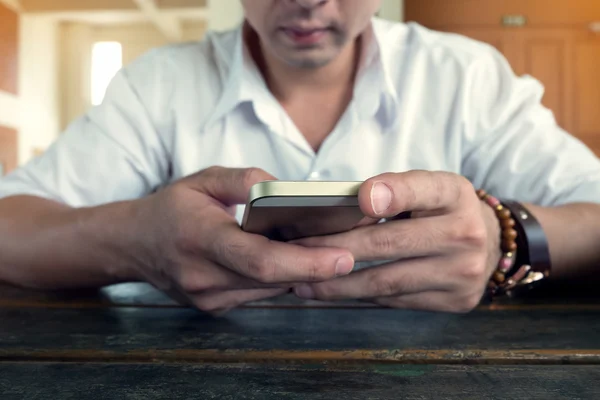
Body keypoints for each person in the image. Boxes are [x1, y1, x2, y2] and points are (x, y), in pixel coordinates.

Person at [0, 0, 599, 314]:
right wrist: (135, 238)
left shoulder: (466, 76)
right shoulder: (157, 85)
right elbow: (9, 226)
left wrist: (505, 239)